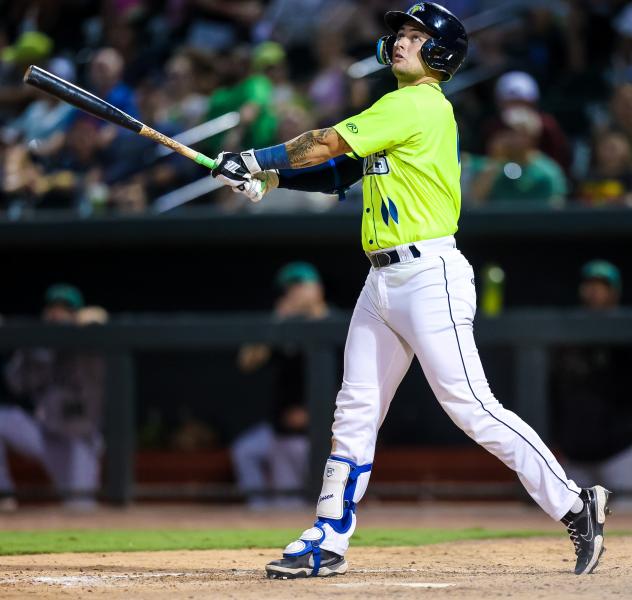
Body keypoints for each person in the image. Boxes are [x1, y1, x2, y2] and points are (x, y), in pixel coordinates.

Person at [211, 2, 610, 578]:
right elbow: (338, 172)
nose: (401, 40)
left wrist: (252, 157)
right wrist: (269, 176)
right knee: (354, 411)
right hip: (382, 280)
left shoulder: (416, 104)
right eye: (400, 32)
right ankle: (327, 537)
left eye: (417, 35)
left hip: (429, 275)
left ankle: (576, 505)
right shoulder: (395, 110)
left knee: (469, 405)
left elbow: (325, 143)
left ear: (441, 52)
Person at [232, 262, 329, 508]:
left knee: (319, 499)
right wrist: (277, 323)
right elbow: (247, 362)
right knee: (247, 453)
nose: (293, 293)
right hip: (283, 432)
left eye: (300, 286)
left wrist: (315, 412)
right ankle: (259, 512)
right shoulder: (284, 327)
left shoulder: (333, 322)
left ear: (316, 288)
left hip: (324, 430)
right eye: (289, 289)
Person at [0, 284, 105, 510]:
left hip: (78, 440)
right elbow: (15, 384)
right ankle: (3, 494)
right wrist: (30, 348)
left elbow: (100, 325)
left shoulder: (90, 342)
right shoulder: (37, 345)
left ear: (76, 313)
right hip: (43, 434)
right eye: (53, 308)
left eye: (65, 308)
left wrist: (91, 328)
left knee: (80, 508)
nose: (57, 313)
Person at [551, 261, 632, 497]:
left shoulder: (625, 333)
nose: (595, 291)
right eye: (591, 284)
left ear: (614, 291)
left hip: (619, 454)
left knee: (626, 520)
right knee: (572, 519)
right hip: (575, 456)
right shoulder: (567, 334)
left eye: (602, 285)